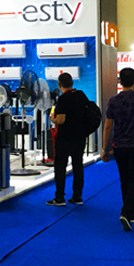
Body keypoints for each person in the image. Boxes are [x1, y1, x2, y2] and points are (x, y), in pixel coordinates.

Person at [101, 67, 134, 231]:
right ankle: (126, 212)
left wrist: (104, 148)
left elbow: (107, 127)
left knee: (125, 179)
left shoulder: (113, 101)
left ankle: (131, 212)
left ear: (120, 82)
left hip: (119, 146)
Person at [46, 72, 88, 207]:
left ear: (59, 85)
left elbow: (61, 120)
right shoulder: (81, 95)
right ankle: (77, 196)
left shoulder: (63, 99)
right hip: (80, 137)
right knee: (78, 166)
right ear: (72, 83)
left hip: (64, 139)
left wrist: (52, 118)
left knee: (60, 168)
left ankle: (59, 197)